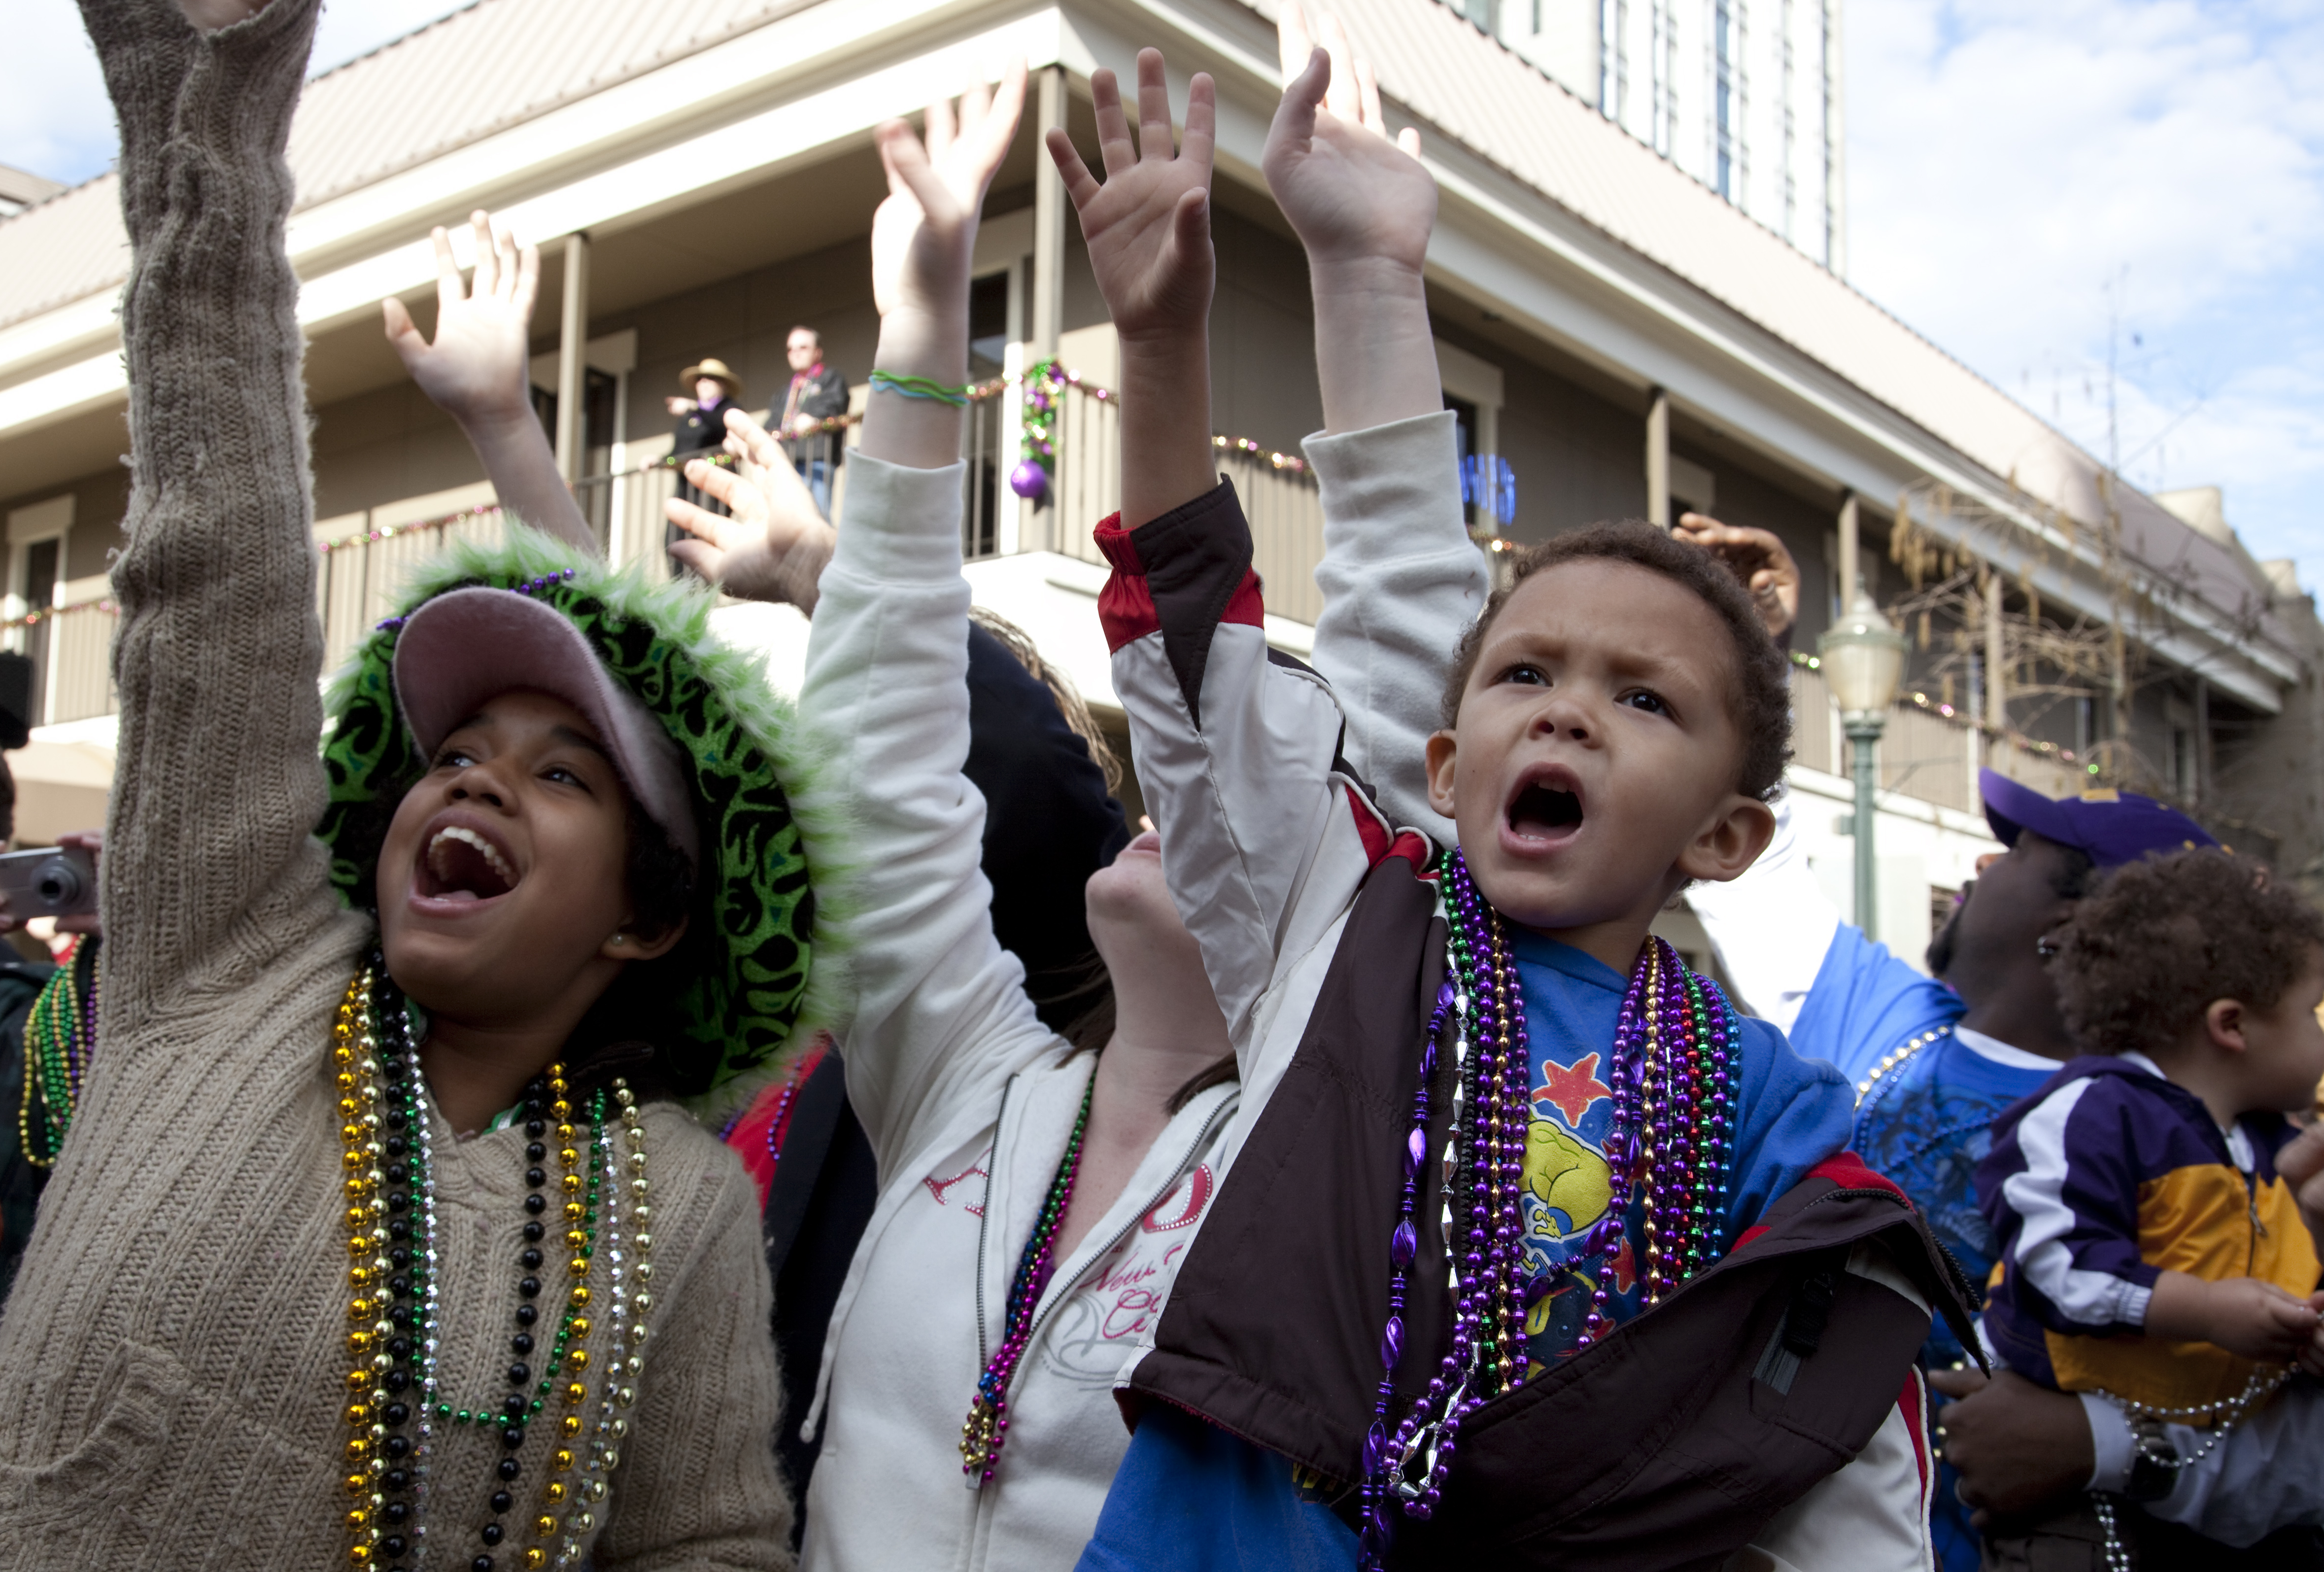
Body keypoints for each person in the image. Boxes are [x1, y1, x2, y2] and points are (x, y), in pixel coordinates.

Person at [1051, 26, 1968, 1570]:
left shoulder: (1769, 1098)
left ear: (1724, 836)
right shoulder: (1334, 919)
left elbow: (1840, 1462)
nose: (1567, 711)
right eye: (1525, 674)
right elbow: (1193, 654)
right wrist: (1158, 346)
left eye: (1642, 697)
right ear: (1440, 765)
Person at [0, 4, 815, 1567]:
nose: (478, 785)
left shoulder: (675, 1212)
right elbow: (208, 575)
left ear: (642, 917)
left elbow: (707, 1541)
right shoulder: (228, 959)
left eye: (561, 772)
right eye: (454, 755)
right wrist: (206, 113)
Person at [684, 61, 1245, 1572]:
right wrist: (925, 324)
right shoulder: (963, 1083)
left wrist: (1175, 343)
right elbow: (881, 759)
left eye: (1237, 796)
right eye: (1162, 791)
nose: (1170, 803)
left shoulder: (1327, 1169)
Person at [1675, 530, 2221, 1569]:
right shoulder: (1877, 1012)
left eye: (2020, 849)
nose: (1981, 855)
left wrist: (2093, 1445)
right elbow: (1755, 856)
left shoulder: (2167, 1129)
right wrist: (1744, 636)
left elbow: (2249, 1400)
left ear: (2076, 930)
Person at [1971, 848, 2324, 1569]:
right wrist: (2205, 1309)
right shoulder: (2094, 1113)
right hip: (2073, 1505)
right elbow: (2056, 1265)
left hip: (2190, 1475)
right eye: (2313, 1011)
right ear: (2233, 1024)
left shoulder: (2265, 1142)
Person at [764, 327, 849, 513]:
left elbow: (835, 404)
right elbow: (771, 424)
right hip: (786, 464)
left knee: (816, 517)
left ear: (817, 352)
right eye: (790, 349)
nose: (795, 353)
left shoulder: (830, 378)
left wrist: (814, 419)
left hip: (816, 461)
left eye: (802, 347)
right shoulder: (784, 392)